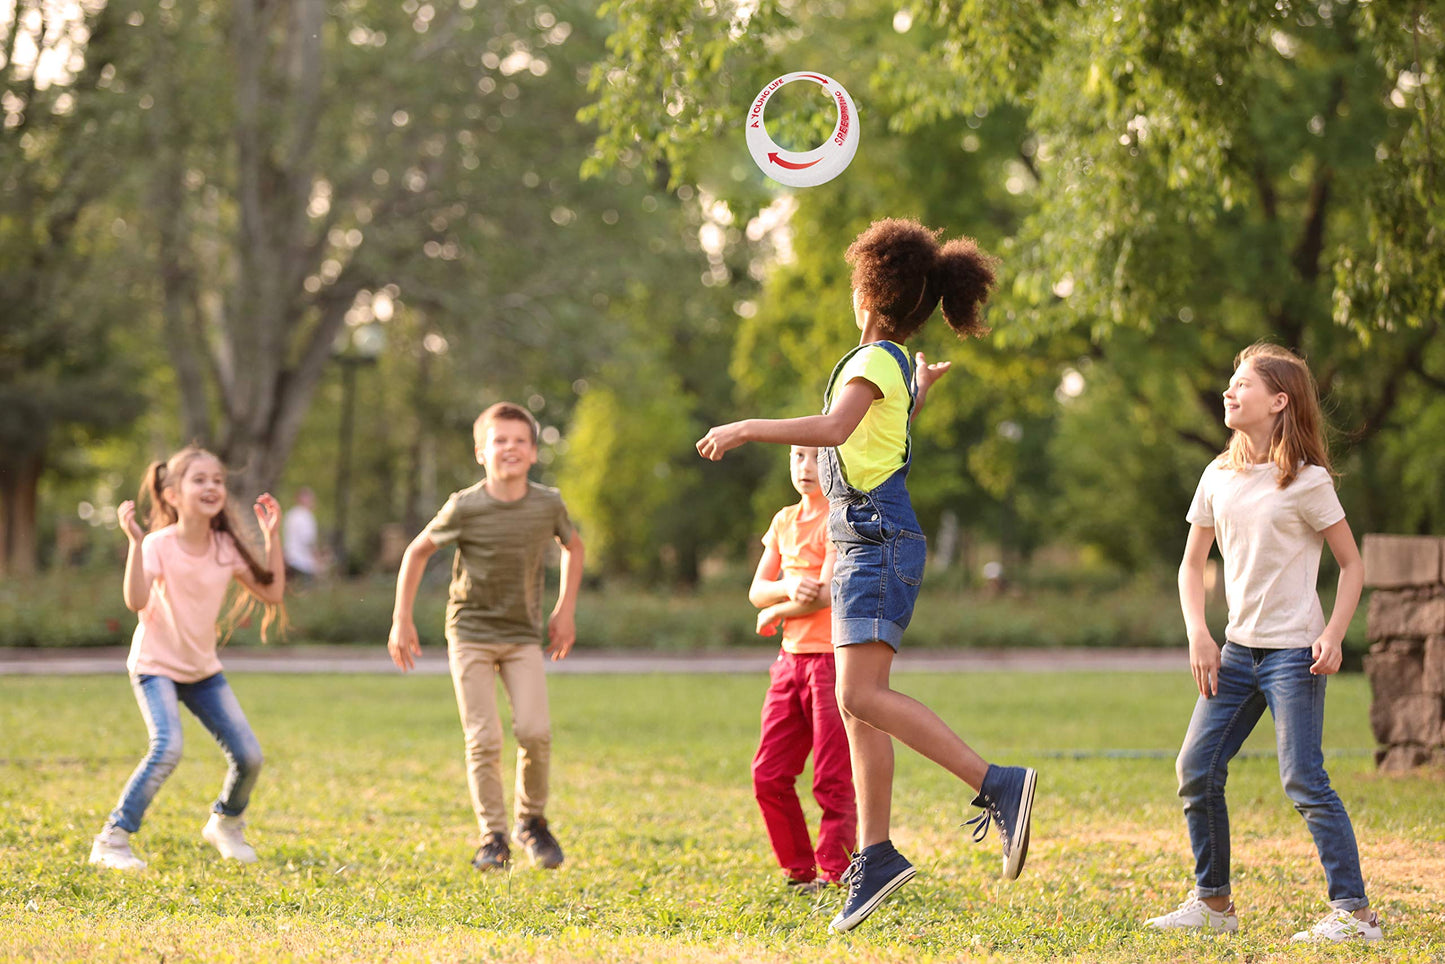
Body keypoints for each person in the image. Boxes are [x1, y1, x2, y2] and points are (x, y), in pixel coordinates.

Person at [697, 218, 1036, 933]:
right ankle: (875, 853)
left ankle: (996, 784)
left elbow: (834, 432)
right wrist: (921, 394)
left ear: (869, 295)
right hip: (866, 537)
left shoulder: (875, 359)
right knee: (856, 705)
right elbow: (880, 434)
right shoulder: (887, 364)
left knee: (859, 694)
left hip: (874, 539)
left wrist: (746, 427)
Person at [1145, 343, 1381, 943]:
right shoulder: (1217, 474)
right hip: (1234, 652)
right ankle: (1214, 904)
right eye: (1231, 381)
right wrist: (1199, 632)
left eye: (1242, 383)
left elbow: (1351, 566)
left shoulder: (1307, 481)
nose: (1229, 391)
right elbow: (1191, 563)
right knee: (1196, 768)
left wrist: (1333, 634)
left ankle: (1354, 915)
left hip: (1293, 655)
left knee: (1303, 778)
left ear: (1279, 401)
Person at [387, 402, 585, 872]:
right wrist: (402, 618)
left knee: (535, 732)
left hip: (522, 635)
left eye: (519, 440)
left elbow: (574, 548)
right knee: (484, 738)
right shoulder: (466, 505)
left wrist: (565, 610)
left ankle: (531, 822)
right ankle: (493, 838)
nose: (510, 448)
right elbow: (416, 552)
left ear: (535, 452)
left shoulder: (547, 503)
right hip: (471, 633)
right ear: (481, 452)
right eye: (499, 440)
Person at [89, 446, 286, 871]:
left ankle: (225, 824)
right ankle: (111, 840)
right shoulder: (158, 545)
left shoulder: (225, 547)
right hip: (155, 666)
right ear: (173, 494)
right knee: (167, 748)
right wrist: (136, 544)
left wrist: (272, 537)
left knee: (249, 756)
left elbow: (272, 593)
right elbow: (136, 601)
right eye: (200, 480)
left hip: (203, 671)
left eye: (217, 480)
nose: (212, 486)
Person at [749, 445, 855, 893]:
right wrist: (784, 589)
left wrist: (772, 613)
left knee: (832, 778)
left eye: (816, 457)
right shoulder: (783, 521)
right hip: (788, 663)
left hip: (831, 663)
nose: (805, 467)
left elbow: (826, 593)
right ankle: (799, 872)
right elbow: (757, 589)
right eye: (797, 456)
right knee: (768, 774)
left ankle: (835, 873)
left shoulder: (838, 517)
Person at [282, 486, 323, 583]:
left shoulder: (290, 515)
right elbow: (308, 541)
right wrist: (317, 559)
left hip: (289, 559)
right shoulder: (306, 516)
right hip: (303, 563)